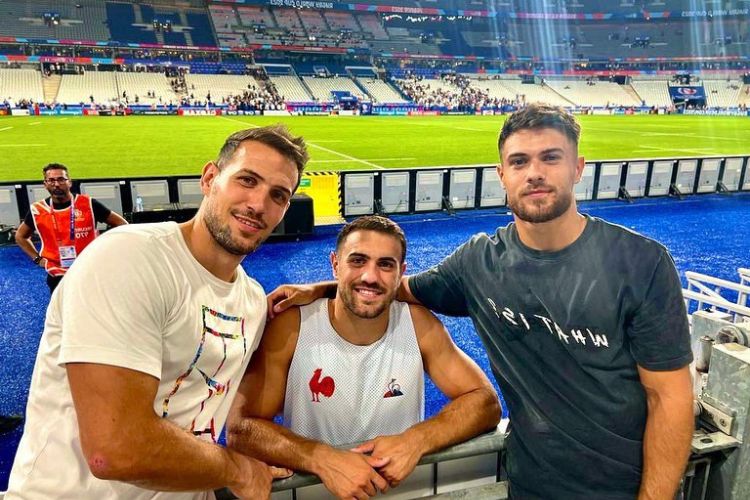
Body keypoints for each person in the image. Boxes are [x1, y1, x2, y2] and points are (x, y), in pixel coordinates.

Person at [268, 104, 695, 500]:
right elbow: (388, 285)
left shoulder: (641, 263)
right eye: (519, 162)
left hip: (625, 487)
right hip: (529, 482)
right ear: (502, 174)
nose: (535, 173)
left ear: (578, 168)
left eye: (551, 158)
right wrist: (321, 289)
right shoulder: (478, 262)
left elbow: (670, 399)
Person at [7, 125, 309, 500]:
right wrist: (238, 470)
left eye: (278, 195)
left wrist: (328, 286)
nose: (258, 204)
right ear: (210, 177)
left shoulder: (250, 300)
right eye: (247, 180)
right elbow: (115, 449)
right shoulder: (130, 258)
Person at [227, 216, 500, 499]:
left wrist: (416, 440)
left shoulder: (418, 325)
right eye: (357, 261)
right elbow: (242, 428)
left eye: (385, 264)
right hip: (314, 492)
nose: (370, 276)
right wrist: (322, 459)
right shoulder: (292, 327)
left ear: (401, 272)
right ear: (335, 264)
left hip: (397, 491)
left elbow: (485, 401)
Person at [14, 163, 128, 293]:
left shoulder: (88, 204)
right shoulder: (38, 210)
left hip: (89, 269)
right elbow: (20, 236)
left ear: (69, 182)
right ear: (45, 184)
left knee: (94, 310)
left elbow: (122, 224)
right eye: (51, 180)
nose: (56, 184)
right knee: (63, 311)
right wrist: (37, 259)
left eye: (61, 179)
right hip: (57, 273)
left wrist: (105, 249)